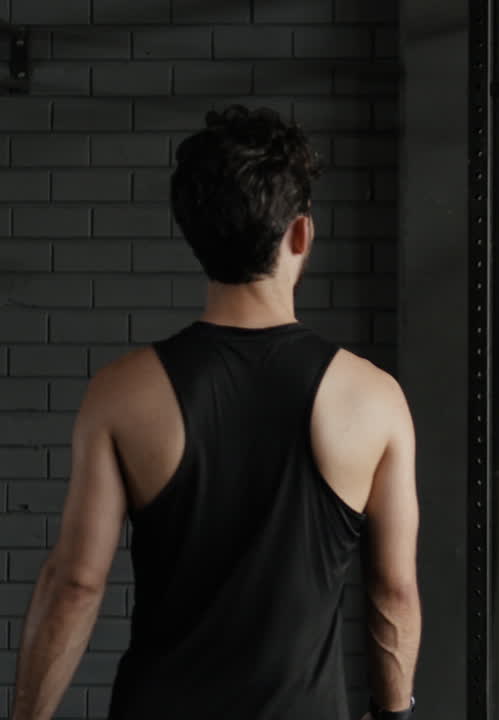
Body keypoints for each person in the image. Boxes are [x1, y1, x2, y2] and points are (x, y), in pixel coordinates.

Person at [10, 106, 421, 720]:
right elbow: (392, 589)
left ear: (196, 234)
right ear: (301, 234)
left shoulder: (121, 394)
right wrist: (395, 714)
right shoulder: (373, 397)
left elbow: (75, 584)